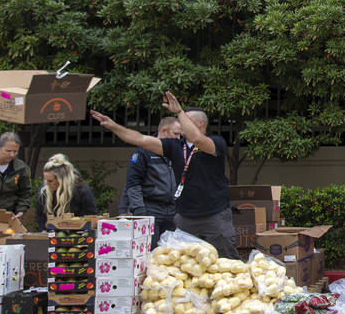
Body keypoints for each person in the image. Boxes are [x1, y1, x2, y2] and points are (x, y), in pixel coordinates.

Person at [91, 91, 238, 259]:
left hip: (214, 215)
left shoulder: (215, 143)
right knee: (184, 265)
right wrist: (113, 126)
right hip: (184, 218)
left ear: (200, 123)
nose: (180, 123)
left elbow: (197, 139)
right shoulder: (175, 146)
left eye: (185, 120)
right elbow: (141, 139)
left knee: (227, 260)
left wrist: (179, 112)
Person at [118, 116, 183, 247]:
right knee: (149, 252)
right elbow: (132, 183)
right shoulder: (144, 151)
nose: (178, 138)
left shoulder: (177, 150)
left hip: (172, 209)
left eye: (180, 135)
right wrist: (138, 210)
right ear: (164, 131)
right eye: (175, 134)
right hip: (150, 208)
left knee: (169, 253)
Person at [35, 154, 99, 231]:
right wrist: (44, 232)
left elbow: (91, 216)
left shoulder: (82, 190)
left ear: (61, 180)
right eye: (45, 180)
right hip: (53, 235)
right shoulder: (44, 191)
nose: (46, 184)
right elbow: (40, 217)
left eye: (50, 181)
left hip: (79, 234)